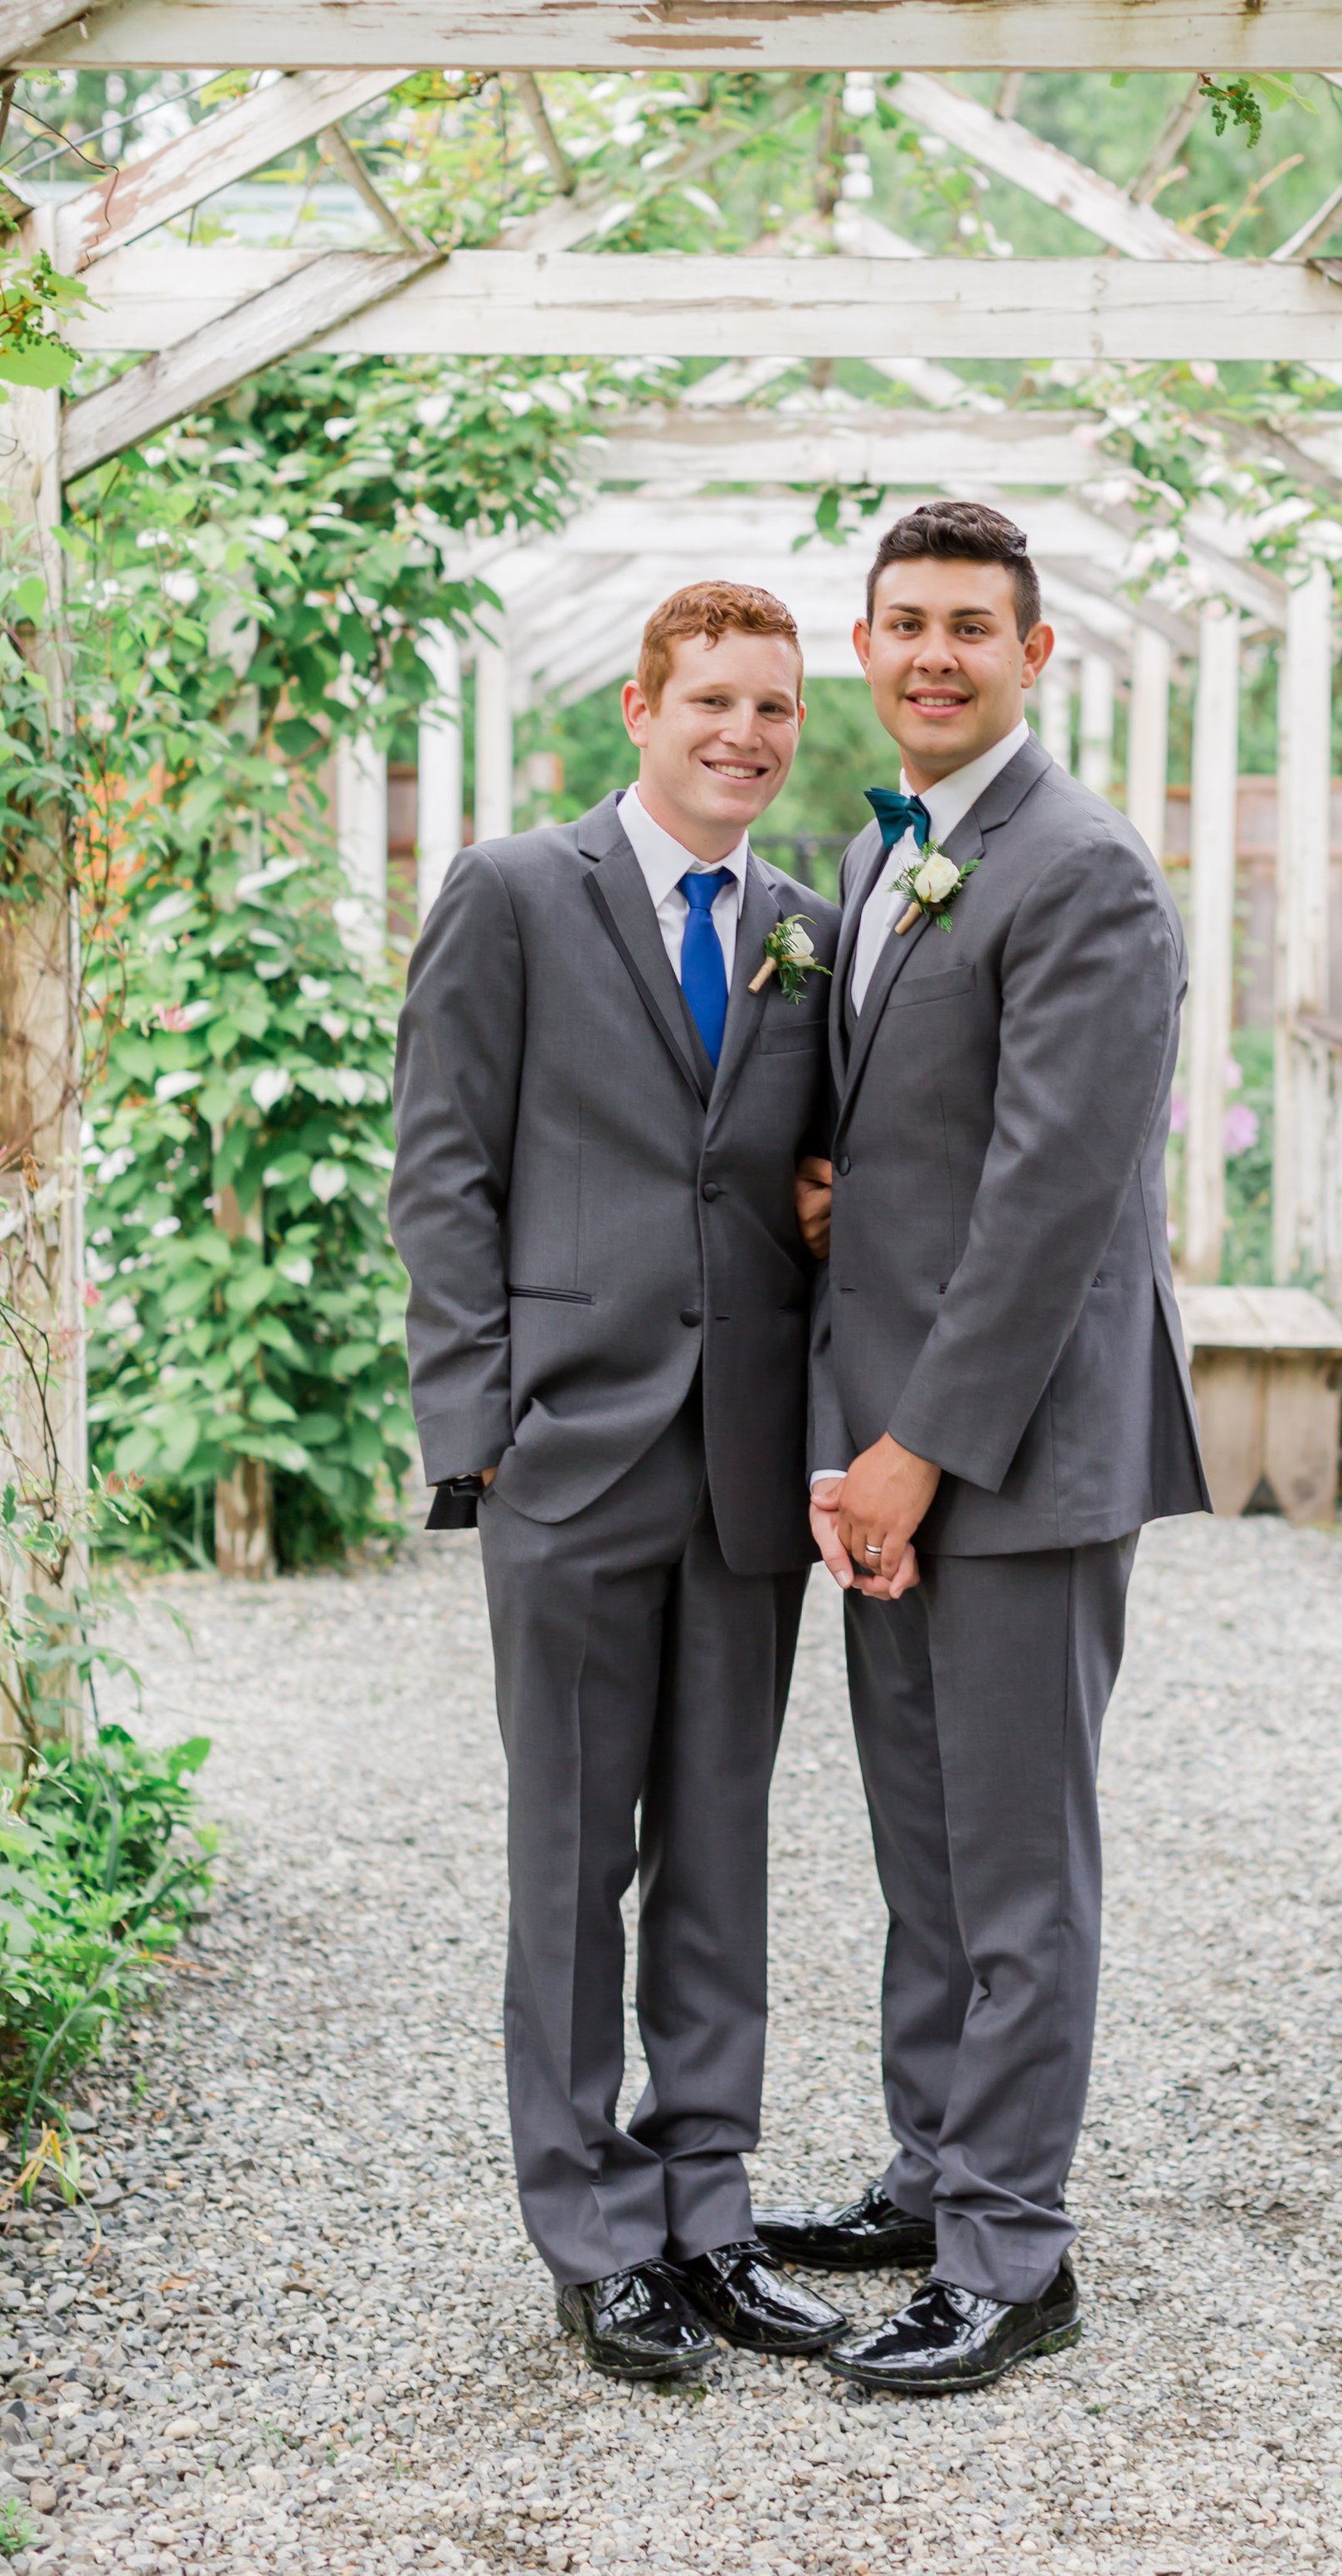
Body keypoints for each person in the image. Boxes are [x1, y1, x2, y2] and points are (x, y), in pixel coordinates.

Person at [757, 501, 1209, 2397]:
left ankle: (1013, 2252)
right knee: (923, 1849)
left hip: (1006, 1457)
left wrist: (916, 1454)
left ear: (1032, 654)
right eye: (905, 624)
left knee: (1015, 1864)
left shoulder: (1080, 869)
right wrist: (825, 1196)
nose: (933, 654)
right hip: (890, 1445)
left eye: (972, 627)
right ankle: (935, 2169)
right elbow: (921, 1138)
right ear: (866, 647)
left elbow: (1046, 1198)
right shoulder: (900, 858)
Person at [391, 581, 846, 2383]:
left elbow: (819, 1164)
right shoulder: (515, 893)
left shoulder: (810, 923)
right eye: (713, 700)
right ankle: (591, 2236)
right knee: (575, 1856)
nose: (746, 734)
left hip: (743, 1461)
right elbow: (441, 1167)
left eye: (775, 708)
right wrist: (477, 1425)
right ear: (641, 710)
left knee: (721, 1847)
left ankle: (707, 2210)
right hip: (571, 1450)